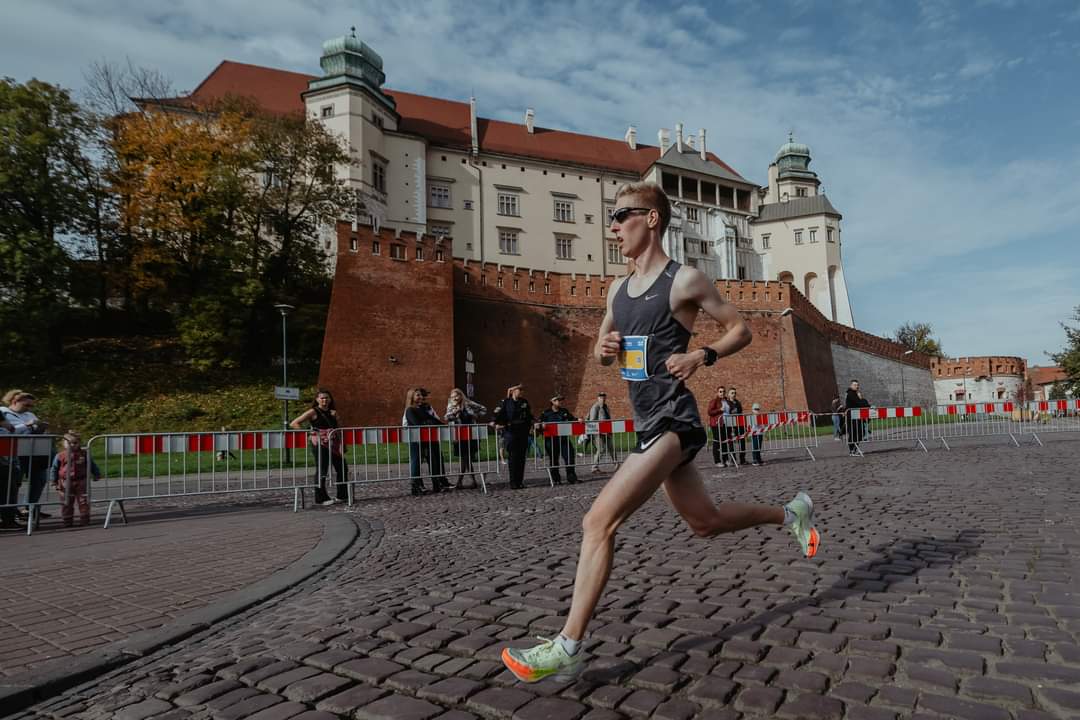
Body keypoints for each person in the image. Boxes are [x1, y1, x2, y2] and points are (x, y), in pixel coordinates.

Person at [501, 181, 819, 683]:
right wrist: (604, 349)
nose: (612, 226)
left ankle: (568, 645)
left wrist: (701, 354)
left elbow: (741, 329)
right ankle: (791, 513)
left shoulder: (684, 281)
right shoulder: (616, 289)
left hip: (676, 421)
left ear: (650, 220)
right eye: (612, 217)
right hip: (649, 421)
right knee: (706, 521)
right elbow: (606, 349)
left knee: (597, 521)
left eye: (622, 215)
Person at [290, 390, 349, 506]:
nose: (324, 400)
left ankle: (342, 495)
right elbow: (294, 423)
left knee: (342, 468)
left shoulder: (333, 413)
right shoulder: (313, 412)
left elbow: (339, 429)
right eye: (322, 398)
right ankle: (321, 497)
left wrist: (343, 444)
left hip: (334, 443)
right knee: (322, 470)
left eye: (327, 398)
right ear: (317, 399)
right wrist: (308, 433)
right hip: (319, 444)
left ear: (330, 399)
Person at [1, 391, 53, 522]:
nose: (29, 408)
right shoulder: (3, 413)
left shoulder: (29, 414)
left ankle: (29, 507)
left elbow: (34, 429)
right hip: (14, 452)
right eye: (26, 405)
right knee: (14, 483)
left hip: (34, 451)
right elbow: (8, 431)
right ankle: (12, 510)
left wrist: (40, 428)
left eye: (31, 406)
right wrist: (26, 425)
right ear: (14, 401)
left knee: (40, 479)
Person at [49, 431, 101, 527]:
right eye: (69, 443)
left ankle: (85, 519)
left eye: (75, 443)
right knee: (66, 502)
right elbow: (54, 468)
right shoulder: (60, 455)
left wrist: (96, 474)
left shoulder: (84, 454)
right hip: (65, 482)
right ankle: (67, 521)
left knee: (83, 500)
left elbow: (92, 464)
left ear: (79, 443)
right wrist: (53, 481)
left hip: (81, 481)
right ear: (64, 444)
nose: (72, 445)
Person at [405, 388, 451, 493]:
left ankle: (437, 484)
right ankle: (416, 486)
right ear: (411, 397)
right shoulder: (410, 410)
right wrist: (428, 422)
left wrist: (441, 425)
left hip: (429, 439)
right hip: (416, 441)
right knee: (416, 462)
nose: (421, 397)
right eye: (418, 395)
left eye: (421, 395)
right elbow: (417, 424)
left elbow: (435, 420)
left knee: (434, 460)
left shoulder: (423, 409)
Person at [494, 384, 534, 489]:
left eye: (521, 390)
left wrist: (533, 424)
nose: (520, 392)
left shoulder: (524, 402)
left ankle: (520, 481)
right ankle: (513, 482)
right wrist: (497, 423)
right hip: (511, 432)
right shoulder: (506, 402)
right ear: (513, 391)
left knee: (521, 458)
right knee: (513, 458)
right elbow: (499, 414)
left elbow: (529, 415)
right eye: (518, 390)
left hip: (523, 432)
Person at [445, 388, 487, 489]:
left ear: (461, 395)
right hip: (458, 435)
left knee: (466, 458)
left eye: (457, 395)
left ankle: (462, 481)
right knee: (465, 458)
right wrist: (455, 413)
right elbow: (446, 417)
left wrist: (475, 415)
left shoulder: (468, 403)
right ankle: (469, 481)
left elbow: (483, 409)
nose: (455, 398)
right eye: (453, 396)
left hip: (470, 434)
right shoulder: (451, 405)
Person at [539, 395, 579, 485]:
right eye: (557, 400)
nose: (560, 402)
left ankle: (571, 478)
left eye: (561, 400)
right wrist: (542, 425)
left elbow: (572, 419)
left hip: (563, 439)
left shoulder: (564, 411)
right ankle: (556, 479)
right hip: (551, 440)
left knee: (569, 457)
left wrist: (578, 420)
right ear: (552, 401)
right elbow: (539, 423)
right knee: (554, 459)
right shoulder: (546, 413)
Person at [586, 391, 617, 472]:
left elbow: (608, 418)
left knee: (611, 448)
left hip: (607, 431)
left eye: (604, 397)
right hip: (598, 433)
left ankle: (616, 464)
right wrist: (595, 431)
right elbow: (592, 420)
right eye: (600, 397)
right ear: (598, 398)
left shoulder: (606, 406)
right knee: (601, 449)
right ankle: (594, 467)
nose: (602, 398)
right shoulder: (595, 407)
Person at [722, 387, 748, 466]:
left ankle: (742, 459)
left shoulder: (738, 403)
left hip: (738, 424)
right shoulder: (726, 403)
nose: (734, 394)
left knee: (742, 441)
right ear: (729, 394)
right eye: (732, 393)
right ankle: (733, 459)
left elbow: (740, 413)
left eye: (735, 393)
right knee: (730, 442)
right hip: (729, 425)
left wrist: (744, 425)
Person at [845, 380, 871, 456]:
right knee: (854, 433)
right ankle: (852, 451)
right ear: (851, 386)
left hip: (857, 417)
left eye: (857, 385)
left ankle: (854, 449)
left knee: (859, 433)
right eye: (855, 385)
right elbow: (859, 403)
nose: (857, 386)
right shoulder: (850, 394)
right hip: (852, 418)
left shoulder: (854, 393)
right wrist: (862, 400)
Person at [706, 386, 727, 465]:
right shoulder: (714, 401)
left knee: (724, 442)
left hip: (725, 424)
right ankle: (717, 461)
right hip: (716, 424)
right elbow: (709, 412)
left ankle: (725, 460)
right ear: (717, 393)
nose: (722, 393)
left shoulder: (726, 401)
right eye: (720, 391)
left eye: (724, 391)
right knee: (717, 441)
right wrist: (719, 410)